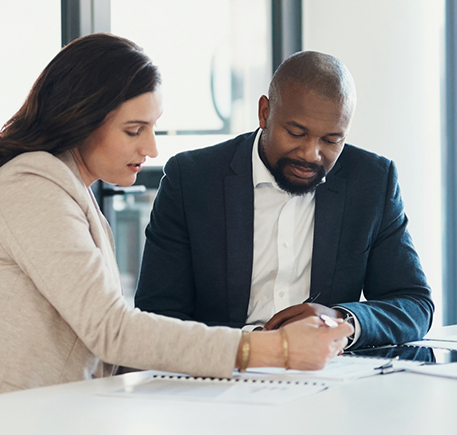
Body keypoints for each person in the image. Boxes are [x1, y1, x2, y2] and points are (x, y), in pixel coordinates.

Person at [0, 34, 353, 409]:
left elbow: (106, 347)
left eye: (153, 128)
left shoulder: (70, 196)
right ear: (82, 120)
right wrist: (273, 350)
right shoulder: (31, 188)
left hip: (18, 427)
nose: (152, 149)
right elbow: (112, 331)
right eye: (134, 130)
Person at [134, 51, 433, 350]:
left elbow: (414, 305)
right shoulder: (192, 179)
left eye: (331, 140)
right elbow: (157, 314)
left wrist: (341, 320)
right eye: (295, 132)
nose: (310, 154)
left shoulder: (371, 181)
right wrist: (252, 349)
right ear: (265, 112)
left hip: (329, 380)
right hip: (222, 372)